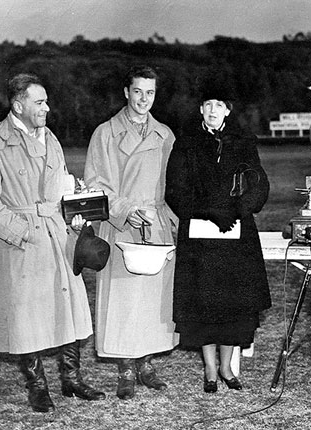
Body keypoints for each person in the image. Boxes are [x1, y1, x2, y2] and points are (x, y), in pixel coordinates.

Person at [0, 73, 105, 412]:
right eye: (40, 102)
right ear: (18, 105)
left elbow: (59, 186)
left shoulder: (51, 138)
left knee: (69, 308)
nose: (47, 107)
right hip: (23, 240)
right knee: (26, 315)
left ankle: (71, 380)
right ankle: (37, 386)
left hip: (57, 235)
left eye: (46, 101)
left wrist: (73, 210)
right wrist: (21, 231)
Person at [165, 75, 271, 393]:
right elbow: (175, 190)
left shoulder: (243, 142)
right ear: (201, 109)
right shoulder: (185, 143)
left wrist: (237, 210)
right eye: (208, 104)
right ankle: (210, 369)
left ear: (227, 111)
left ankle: (227, 367)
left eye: (219, 106)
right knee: (204, 303)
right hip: (200, 235)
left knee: (233, 304)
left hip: (236, 234)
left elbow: (259, 185)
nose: (213, 110)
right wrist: (209, 212)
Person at [84, 65, 179, 400]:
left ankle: (146, 363)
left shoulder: (165, 135)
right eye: (137, 91)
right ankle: (125, 367)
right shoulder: (106, 133)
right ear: (126, 92)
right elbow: (96, 186)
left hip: (156, 225)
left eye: (150, 93)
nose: (143, 99)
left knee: (154, 299)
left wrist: (175, 221)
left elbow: (175, 185)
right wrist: (125, 210)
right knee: (123, 299)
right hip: (120, 224)